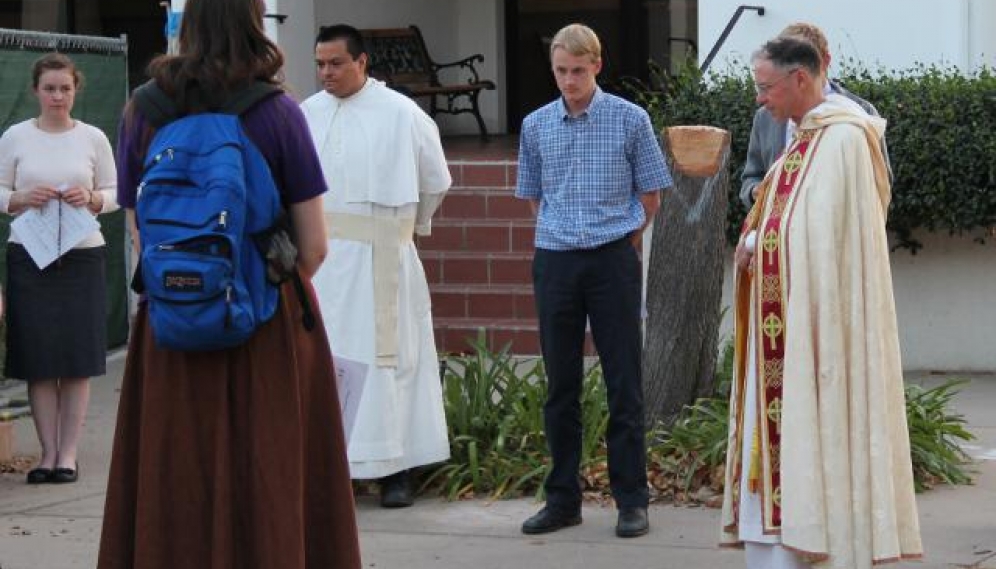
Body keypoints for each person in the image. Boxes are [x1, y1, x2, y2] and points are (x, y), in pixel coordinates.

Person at [97, 1, 361, 567]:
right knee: (271, 475)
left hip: (172, 326)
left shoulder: (141, 111)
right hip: (265, 326)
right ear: (252, 23)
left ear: (187, 26)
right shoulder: (277, 113)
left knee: (175, 478)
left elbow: (139, 232)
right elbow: (313, 246)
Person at [721, 36, 923, 569]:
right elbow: (781, 218)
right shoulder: (800, 138)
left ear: (800, 80)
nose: (759, 100)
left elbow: (835, 238)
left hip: (822, 329)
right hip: (783, 326)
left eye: (766, 88)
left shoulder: (846, 139)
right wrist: (752, 241)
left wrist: (763, 244)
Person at [515, 23, 672, 538]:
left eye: (577, 71)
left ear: (596, 66)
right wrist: (562, 233)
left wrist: (622, 238)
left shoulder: (630, 119)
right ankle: (562, 499)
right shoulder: (536, 124)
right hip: (556, 260)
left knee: (623, 380)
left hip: (612, 260)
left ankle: (632, 499)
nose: (568, 81)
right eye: (560, 71)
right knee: (560, 384)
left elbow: (651, 193)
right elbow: (535, 194)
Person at [300, 24, 451, 508]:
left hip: (382, 254)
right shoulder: (305, 113)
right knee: (327, 363)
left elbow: (436, 180)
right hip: (323, 259)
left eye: (336, 63)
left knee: (390, 362)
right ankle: (334, 468)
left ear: (362, 62)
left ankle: (395, 469)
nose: (326, 73)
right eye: (320, 64)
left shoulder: (402, 114)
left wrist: (407, 227)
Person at [0, 52, 119, 485]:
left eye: (65, 88)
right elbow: (0, 188)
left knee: (76, 358)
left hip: (82, 254)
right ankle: (46, 454)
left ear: (76, 90)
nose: (57, 96)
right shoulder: (15, 136)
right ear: (36, 91)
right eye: (49, 88)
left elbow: (116, 190)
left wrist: (91, 199)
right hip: (29, 255)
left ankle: (67, 455)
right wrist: (18, 198)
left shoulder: (93, 138)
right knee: (38, 357)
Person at [739, 22, 890, 207]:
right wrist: (756, 192)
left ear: (825, 60)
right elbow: (751, 178)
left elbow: (880, 185)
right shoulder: (765, 117)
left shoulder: (861, 114)